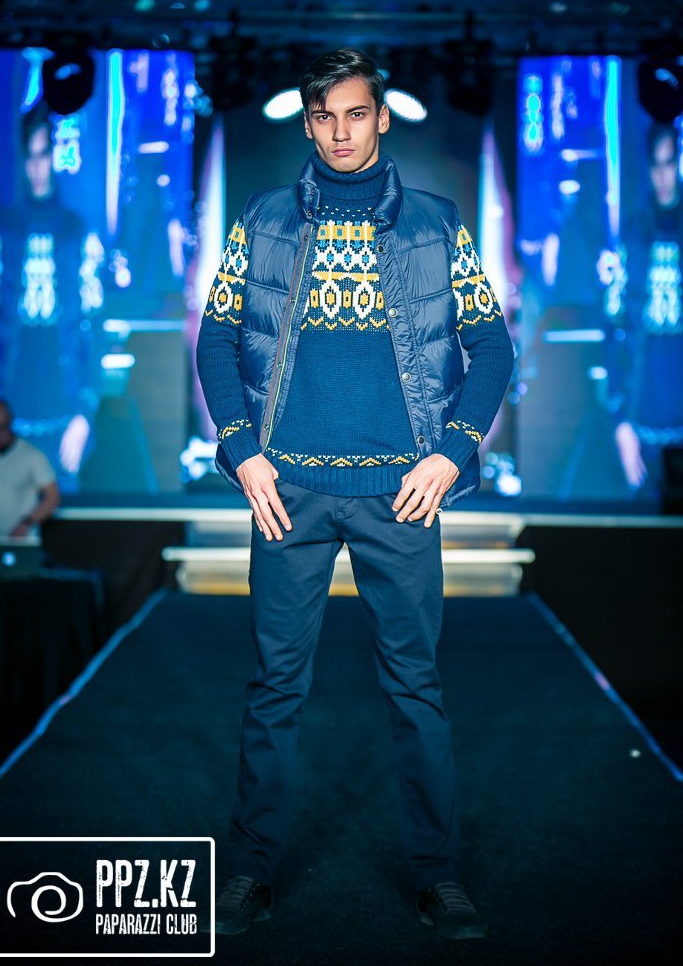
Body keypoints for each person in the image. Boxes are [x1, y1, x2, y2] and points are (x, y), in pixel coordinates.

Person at [196, 48, 514, 940]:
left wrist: (452, 452)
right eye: (325, 117)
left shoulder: (436, 224)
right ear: (309, 124)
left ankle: (439, 877)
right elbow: (217, 336)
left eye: (356, 113)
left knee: (415, 687)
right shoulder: (264, 219)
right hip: (286, 492)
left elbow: (492, 346)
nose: (341, 131)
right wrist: (241, 451)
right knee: (274, 689)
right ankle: (251, 871)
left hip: (400, 495)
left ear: (382, 116)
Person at [0, 102, 102, 492]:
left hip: (64, 411)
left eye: (44, 154)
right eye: (31, 156)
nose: (37, 166)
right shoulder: (5, 231)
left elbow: (94, 329)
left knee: (62, 514)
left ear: (55, 157)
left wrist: (84, 415)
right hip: (12, 409)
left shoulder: (75, 231)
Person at [598, 122, 683, 499]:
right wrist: (620, 421)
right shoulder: (633, 233)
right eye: (657, 164)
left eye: (670, 162)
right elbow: (613, 328)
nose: (663, 175)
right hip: (644, 421)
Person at [0, 398, 59, 539]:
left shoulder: (32, 456)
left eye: (1, 427)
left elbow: (52, 497)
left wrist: (27, 522)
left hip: (18, 542)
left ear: (10, 422)